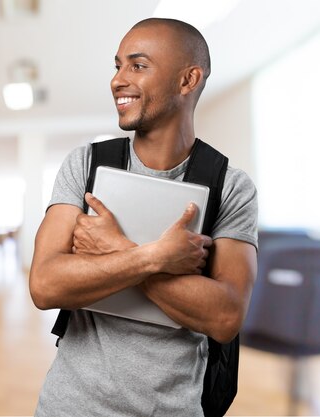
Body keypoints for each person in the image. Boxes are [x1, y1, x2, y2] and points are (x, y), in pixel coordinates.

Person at [29, 18, 258, 416]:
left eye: (137, 65)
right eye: (117, 66)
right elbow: (45, 286)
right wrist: (155, 258)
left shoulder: (231, 187)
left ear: (188, 80)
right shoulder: (85, 166)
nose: (118, 79)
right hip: (68, 405)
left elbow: (225, 317)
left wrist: (114, 248)